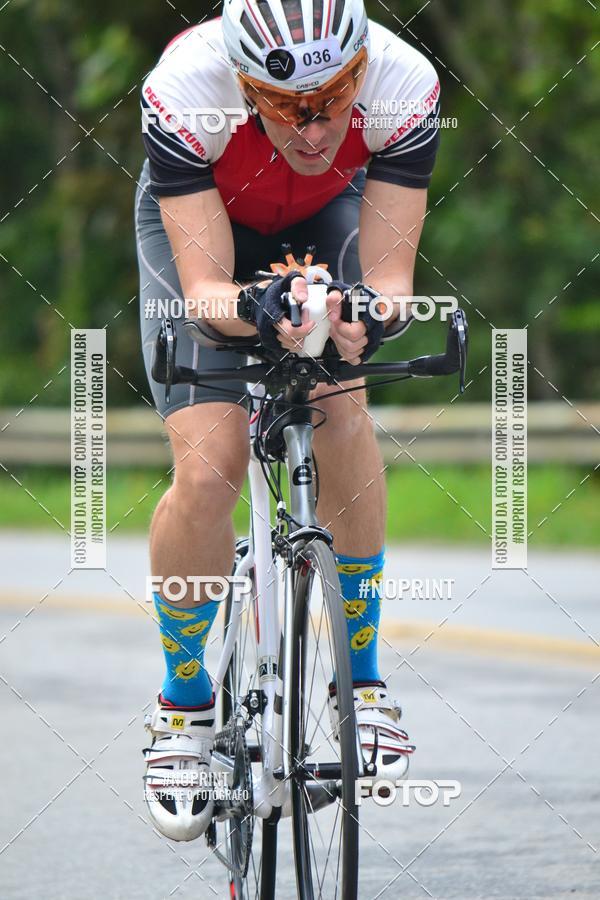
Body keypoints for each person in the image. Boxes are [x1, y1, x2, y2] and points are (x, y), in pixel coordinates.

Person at [136, 0, 441, 841]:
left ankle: (366, 686)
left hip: (325, 216)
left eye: (335, 100)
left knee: (343, 409)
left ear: (361, 73)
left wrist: (368, 316)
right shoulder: (184, 90)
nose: (313, 132)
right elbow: (203, 294)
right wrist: (260, 305)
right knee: (210, 464)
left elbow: (391, 275)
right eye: (282, 107)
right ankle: (184, 705)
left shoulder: (406, 84)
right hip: (207, 237)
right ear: (240, 83)